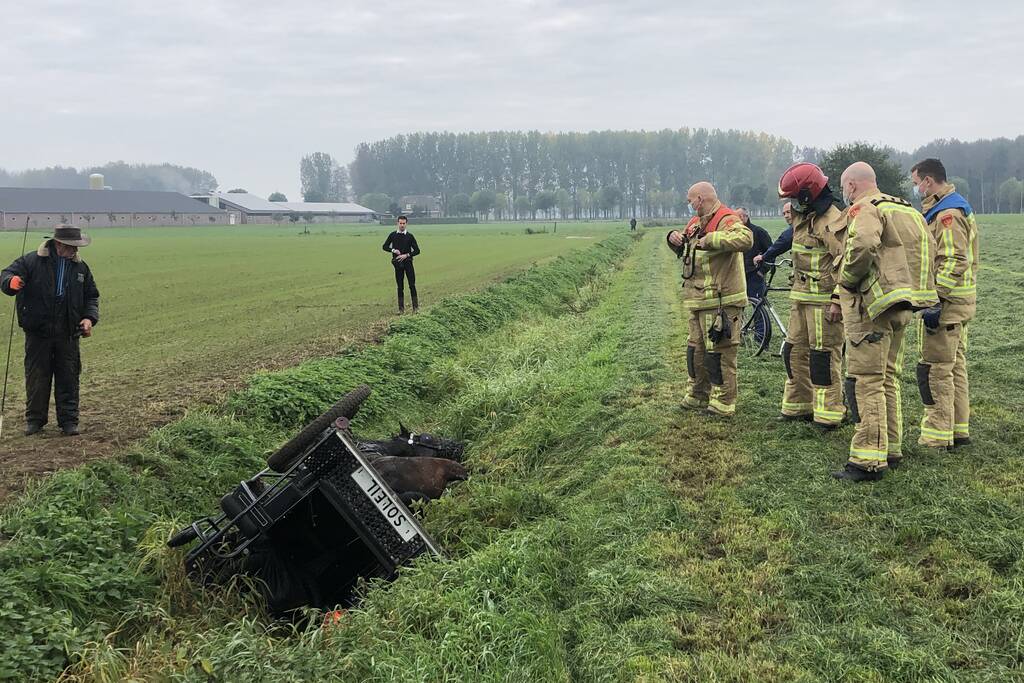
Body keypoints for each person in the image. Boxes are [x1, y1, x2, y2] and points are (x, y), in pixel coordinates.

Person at [831, 162, 937, 481]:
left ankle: (868, 460)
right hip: (903, 303)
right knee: (888, 377)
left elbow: (862, 244)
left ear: (851, 186)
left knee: (867, 380)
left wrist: (847, 280)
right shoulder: (906, 208)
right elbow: (928, 249)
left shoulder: (865, 208)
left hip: (871, 307)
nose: (845, 194)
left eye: (844, 188)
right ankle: (890, 447)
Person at [1, 224, 100, 436]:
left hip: (68, 332)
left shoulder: (81, 268)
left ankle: (68, 422)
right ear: (58, 244)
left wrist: (89, 318)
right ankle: (35, 421)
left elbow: (91, 295)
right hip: (38, 332)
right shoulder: (31, 261)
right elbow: (6, 275)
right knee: (37, 377)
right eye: (72, 246)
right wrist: (12, 282)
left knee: (68, 377)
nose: (75, 250)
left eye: (76, 246)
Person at [666, 182, 752, 417]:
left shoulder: (727, 218)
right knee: (696, 352)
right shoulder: (694, 223)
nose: (689, 204)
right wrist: (674, 240)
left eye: (690, 200)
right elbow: (688, 250)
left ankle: (723, 402)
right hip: (697, 299)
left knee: (720, 353)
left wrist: (713, 239)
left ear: (701, 199)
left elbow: (745, 239)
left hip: (722, 301)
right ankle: (697, 394)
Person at [910, 158, 979, 449]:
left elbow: (954, 259)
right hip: (959, 304)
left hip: (947, 306)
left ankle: (937, 436)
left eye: (916, 183)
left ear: (928, 181)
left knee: (936, 370)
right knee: (954, 368)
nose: (915, 189)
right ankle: (958, 429)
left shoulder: (947, 213)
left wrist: (935, 300)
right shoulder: (950, 206)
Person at [775, 163, 847, 429]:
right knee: (794, 353)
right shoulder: (804, 218)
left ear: (807, 195)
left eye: (794, 197)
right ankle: (798, 406)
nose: (792, 204)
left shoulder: (830, 220)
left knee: (822, 358)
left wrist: (838, 298)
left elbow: (847, 260)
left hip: (824, 303)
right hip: (801, 299)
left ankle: (829, 413)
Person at [381, 215, 421, 313]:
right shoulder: (392, 235)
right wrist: (393, 250)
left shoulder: (410, 236)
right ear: (397, 223)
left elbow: (417, 251)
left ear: (406, 224)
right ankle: (401, 309)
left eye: (404, 223)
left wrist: (406, 255)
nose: (402, 225)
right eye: (400, 223)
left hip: (408, 263)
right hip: (398, 264)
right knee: (400, 286)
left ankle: (415, 308)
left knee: (412, 285)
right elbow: (384, 246)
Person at [737, 207, 773, 299]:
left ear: (744, 217)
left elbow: (771, 252)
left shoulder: (759, 232)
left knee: (757, 306)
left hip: (755, 275)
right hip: (739, 276)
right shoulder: (734, 235)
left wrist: (762, 271)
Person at [753, 202, 794, 271]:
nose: (786, 216)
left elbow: (784, 241)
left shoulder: (798, 228)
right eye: (784, 213)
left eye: (788, 212)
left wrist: (763, 256)